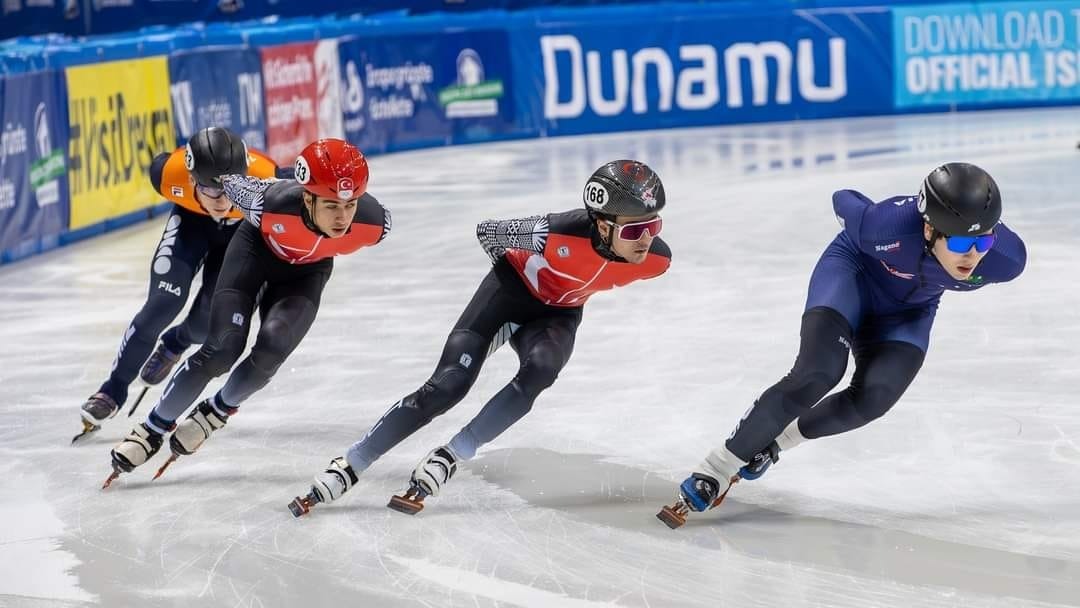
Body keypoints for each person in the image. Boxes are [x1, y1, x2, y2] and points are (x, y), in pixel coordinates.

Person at [288, 159, 672, 517]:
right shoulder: (552, 232)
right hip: (511, 292)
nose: (646, 241)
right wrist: (509, 285)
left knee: (541, 371)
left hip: (558, 313)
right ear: (603, 226)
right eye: (636, 230)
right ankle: (352, 463)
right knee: (448, 385)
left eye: (654, 227)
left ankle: (452, 455)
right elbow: (488, 233)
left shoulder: (657, 261)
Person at [657, 162, 1027, 529]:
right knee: (818, 373)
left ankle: (773, 446)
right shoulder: (885, 228)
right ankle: (715, 469)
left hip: (908, 313)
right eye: (962, 241)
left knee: (874, 398)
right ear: (929, 228)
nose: (973, 254)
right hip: (852, 276)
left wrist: (977, 242)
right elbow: (843, 199)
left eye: (984, 240)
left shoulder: (1006, 260)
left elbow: (982, 249)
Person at [102, 138, 391, 487]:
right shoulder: (268, 203)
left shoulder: (374, 224)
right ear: (307, 196)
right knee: (222, 349)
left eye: (350, 205)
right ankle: (152, 428)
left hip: (305, 276)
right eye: (331, 205)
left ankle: (216, 412)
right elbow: (230, 180)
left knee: (273, 349)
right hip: (253, 256)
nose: (343, 218)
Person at [74, 127, 285, 443]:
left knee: (206, 324)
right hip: (191, 225)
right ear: (190, 181)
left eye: (233, 191)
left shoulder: (268, 179)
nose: (223, 202)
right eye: (212, 191)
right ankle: (112, 390)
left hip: (240, 238)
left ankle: (177, 341)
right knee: (162, 303)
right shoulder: (166, 173)